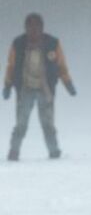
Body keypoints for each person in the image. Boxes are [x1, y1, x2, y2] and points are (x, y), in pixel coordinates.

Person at [4, 12, 76, 160]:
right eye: (30, 27)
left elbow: (61, 66)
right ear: (26, 28)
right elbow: (11, 66)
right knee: (21, 124)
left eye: (37, 26)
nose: (34, 30)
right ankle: (14, 152)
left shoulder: (52, 43)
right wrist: (7, 85)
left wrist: (68, 83)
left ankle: (54, 151)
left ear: (42, 28)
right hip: (25, 89)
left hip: (45, 89)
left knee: (48, 124)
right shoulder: (18, 43)